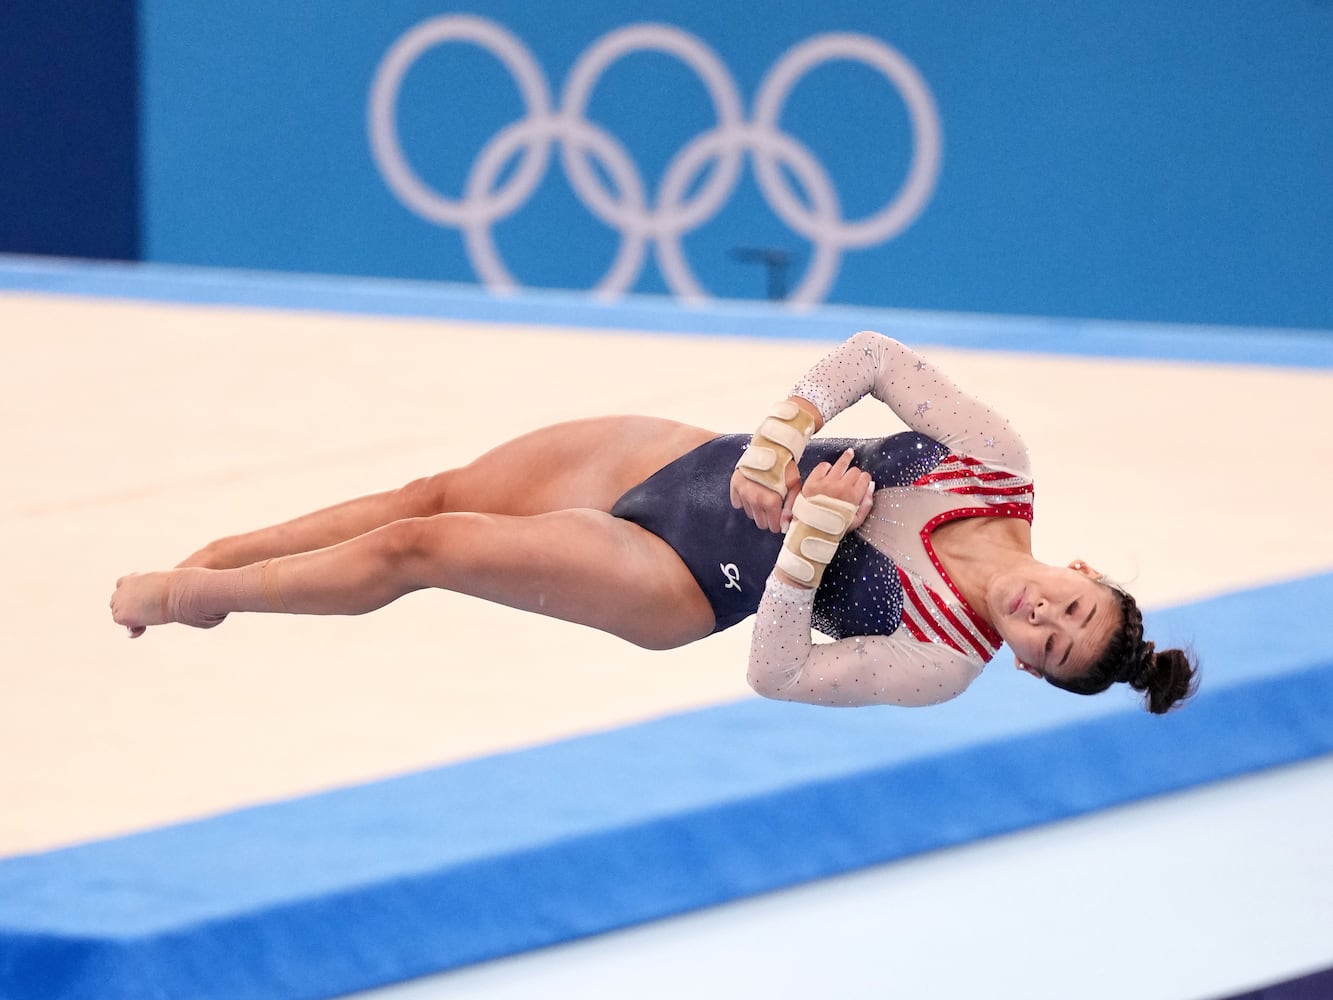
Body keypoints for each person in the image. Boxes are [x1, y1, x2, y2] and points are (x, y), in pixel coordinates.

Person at [110, 331, 1198, 713]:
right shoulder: (995, 464)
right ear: (1083, 567)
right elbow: (867, 355)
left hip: (682, 578)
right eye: (1072, 600)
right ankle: (220, 557)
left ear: (1021, 662)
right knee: (428, 495)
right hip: (691, 458)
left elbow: (776, 672)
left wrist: (808, 544)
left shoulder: (937, 660)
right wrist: (778, 445)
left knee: (420, 551)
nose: (1042, 611)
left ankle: (207, 594)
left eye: (1048, 641)